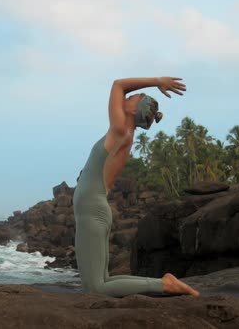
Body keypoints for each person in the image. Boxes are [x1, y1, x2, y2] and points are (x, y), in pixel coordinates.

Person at [73, 77, 200, 298]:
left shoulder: (120, 129)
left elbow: (117, 85)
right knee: (102, 281)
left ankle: (165, 285)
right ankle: (163, 282)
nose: (127, 97)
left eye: (133, 98)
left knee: (95, 288)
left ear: (135, 110)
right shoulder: (124, 134)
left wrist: (157, 81)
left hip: (92, 209)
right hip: (94, 208)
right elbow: (121, 90)